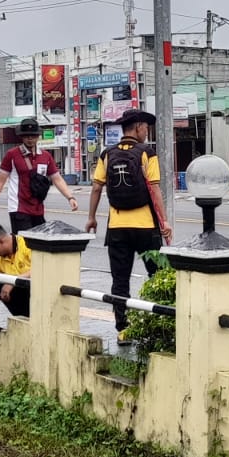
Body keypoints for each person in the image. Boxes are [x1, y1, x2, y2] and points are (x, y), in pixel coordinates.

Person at [85, 108, 173, 341]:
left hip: (117, 228)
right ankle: (161, 327)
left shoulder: (107, 153)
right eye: (146, 127)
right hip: (145, 227)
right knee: (159, 277)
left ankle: (122, 329)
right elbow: (154, 189)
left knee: (120, 279)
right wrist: (164, 222)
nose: (147, 131)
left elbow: (96, 187)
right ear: (138, 127)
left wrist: (91, 217)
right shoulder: (147, 153)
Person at [0, 117, 77, 233]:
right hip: (18, 209)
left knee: (38, 246)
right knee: (23, 245)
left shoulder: (46, 156)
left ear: (38, 136)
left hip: (38, 209)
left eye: (33, 136)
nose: (30, 139)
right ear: (21, 136)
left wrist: (70, 197)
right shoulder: (12, 155)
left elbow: (57, 178)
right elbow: (0, 181)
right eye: (26, 136)